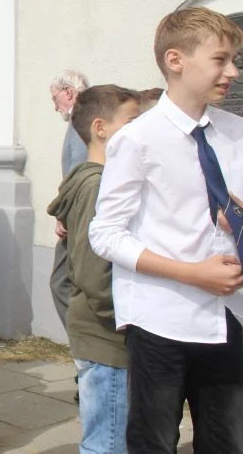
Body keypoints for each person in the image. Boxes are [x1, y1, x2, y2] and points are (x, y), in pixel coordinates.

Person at [89, 8, 243, 454]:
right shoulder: (137, 139)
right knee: (154, 442)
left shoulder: (237, 132)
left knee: (227, 442)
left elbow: (234, 216)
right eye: (221, 60)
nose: (233, 72)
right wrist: (192, 273)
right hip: (161, 321)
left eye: (233, 61)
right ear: (175, 60)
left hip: (224, 316)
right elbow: (105, 234)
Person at [48, 85, 141, 454]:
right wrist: (126, 319)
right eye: (132, 122)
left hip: (107, 334)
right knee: (107, 441)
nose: (140, 130)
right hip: (107, 338)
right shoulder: (96, 186)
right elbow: (92, 272)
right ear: (100, 128)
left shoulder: (105, 181)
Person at [48, 70, 90, 331]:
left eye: (55, 99)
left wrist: (63, 214)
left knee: (61, 283)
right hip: (79, 214)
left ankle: (83, 346)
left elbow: (79, 174)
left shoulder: (81, 122)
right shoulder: (84, 120)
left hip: (77, 217)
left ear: (69, 93)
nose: (55, 107)